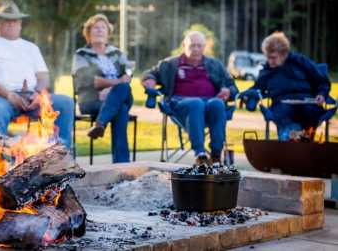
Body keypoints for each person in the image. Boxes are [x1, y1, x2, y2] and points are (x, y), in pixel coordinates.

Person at [0, 0, 74, 149]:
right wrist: (8, 95)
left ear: (20, 24)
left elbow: (43, 76)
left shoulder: (31, 47)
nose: (11, 24)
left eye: (15, 21)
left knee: (65, 103)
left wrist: (39, 94)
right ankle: (0, 160)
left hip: (31, 97)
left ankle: (62, 154)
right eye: (6, 20)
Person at [142, 31, 238, 165]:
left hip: (209, 104)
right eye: (192, 45)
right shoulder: (170, 64)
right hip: (179, 104)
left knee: (217, 104)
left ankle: (216, 155)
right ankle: (200, 154)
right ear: (184, 45)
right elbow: (149, 73)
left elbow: (232, 86)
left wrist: (227, 91)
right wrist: (150, 79)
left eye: (199, 46)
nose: (196, 49)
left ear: (204, 47)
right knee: (196, 103)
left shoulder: (215, 64)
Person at [240, 31, 330, 141]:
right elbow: (257, 88)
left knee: (309, 112)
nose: (270, 61)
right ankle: (291, 138)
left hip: (307, 103)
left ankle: (303, 139)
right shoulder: (267, 71)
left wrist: (321, 94)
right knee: (284, 115)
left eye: (273, 57)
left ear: (284, 54)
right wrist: (248, 96)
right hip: (282, 106)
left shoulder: (301, 62)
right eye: (268, 57)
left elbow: (322, 81)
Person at [72, 14, 134, 163]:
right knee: (120, 110)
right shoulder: (81, 54)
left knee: (123, 89)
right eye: (96, 28)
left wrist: (112, 89)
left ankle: (100, 124)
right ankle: (122, 165)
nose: (99, 31)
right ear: (88, 32)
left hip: (117, 96)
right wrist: (116, 83)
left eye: (103, 28)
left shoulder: (117, 53)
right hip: (92, 99)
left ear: (108, 32)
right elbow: (90, 80)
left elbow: (128, 74)